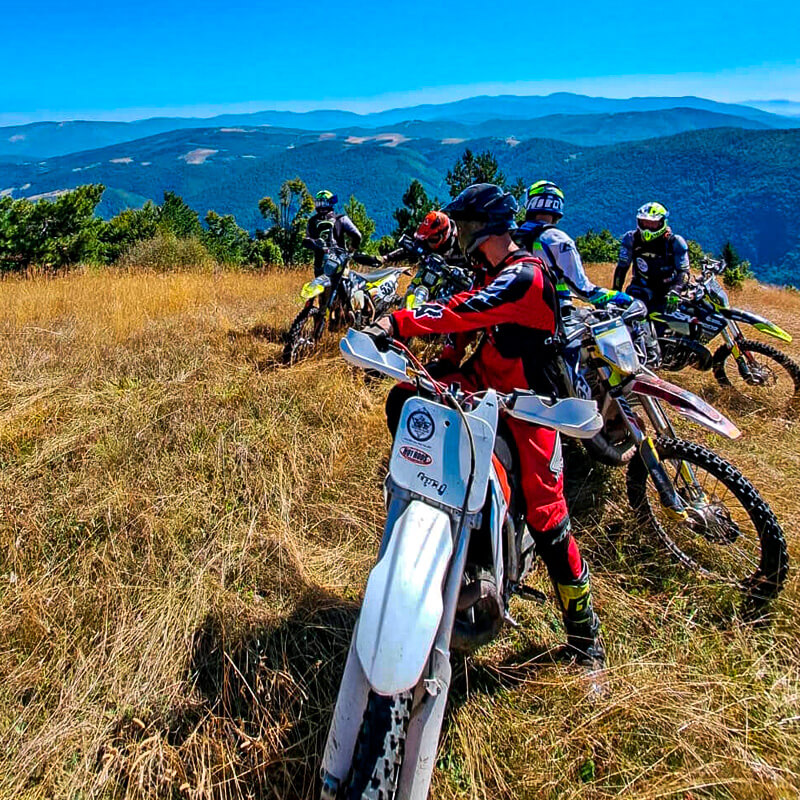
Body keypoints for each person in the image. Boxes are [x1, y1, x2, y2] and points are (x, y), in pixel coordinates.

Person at [364, 183, 605, 668]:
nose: (464, 233)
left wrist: (400, 323)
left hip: (531, 405)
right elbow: (470, 321)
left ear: (486, 226)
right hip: (485, 382)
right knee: (407, 400)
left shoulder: (525, 277)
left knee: (548, 516)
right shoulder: (491, 269)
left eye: (469, 224)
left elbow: (465, 310)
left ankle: (585, 636)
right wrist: (441, 361)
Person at [515, 180, 631, 311]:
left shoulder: (512, 236)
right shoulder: (558, 239)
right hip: (553, 314)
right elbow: (584, 290)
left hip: (516, 311)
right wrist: (619, 296)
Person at [613, 202, 690, 313]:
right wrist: (615, 293)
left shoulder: (675, 242)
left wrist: (675, 291)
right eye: (645, 223)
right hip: (641, 287)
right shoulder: (631, 239)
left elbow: (684, 272)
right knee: (632, 314)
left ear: (662, 223)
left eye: (653, 223)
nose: (648, 227)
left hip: (669, 290)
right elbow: (622, 268)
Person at [304, 190, 363, 275]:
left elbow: (306, 241)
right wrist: (351, 250)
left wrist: (316, 244)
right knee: (342, 285)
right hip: (340, 261)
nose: (321, 206)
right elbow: (357, 235)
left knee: (320, 287)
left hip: (320, 264)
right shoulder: (341, 219)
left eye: (322, 203)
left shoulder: (312, 221)